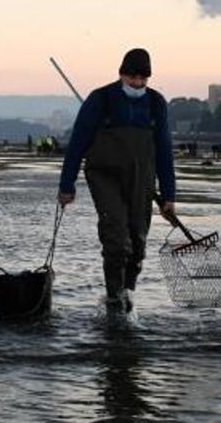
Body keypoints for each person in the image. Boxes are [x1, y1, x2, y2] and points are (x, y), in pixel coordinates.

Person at [58, 48, 175, 315]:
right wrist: (67, 185)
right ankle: (113, 296)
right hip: (105, 176)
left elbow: (164, 150)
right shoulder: (100, 99)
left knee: (137, 241)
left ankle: (127, 291)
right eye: (132, 78)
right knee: (116, 237)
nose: (137, 84)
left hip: (142, 179)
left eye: (143, 79)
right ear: (121, 74)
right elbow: (77, 144)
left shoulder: (156, 103)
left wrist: (169, 196)